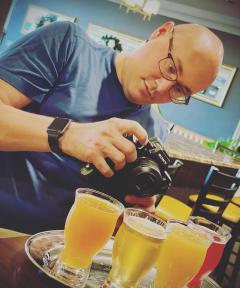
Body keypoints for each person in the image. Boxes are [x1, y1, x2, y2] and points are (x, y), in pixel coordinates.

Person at [0, 20, 223, 233]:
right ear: (160, 33)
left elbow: (109, 211)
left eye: (180, 90)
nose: (162, 86)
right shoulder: (67, 44)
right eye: (171, 67)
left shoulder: (153, 133)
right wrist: (67, 135)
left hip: (62, 251)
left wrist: (132, 213)